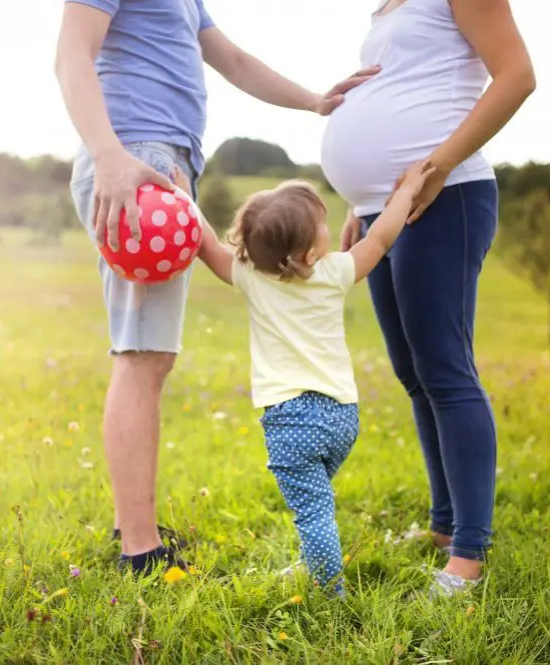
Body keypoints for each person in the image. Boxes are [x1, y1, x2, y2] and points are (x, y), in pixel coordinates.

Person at [55, 0, 380, 575]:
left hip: (159, 162)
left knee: (148, 353)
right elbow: (71, 54)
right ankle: (139, 549)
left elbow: (231, 59)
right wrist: (110, 157)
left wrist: (314, 101)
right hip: (135, 162)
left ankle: (134, 527)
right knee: (142, 355)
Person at [320, 0, 536, 596]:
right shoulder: (385, 7)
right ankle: (443, 529)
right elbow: (400, 97)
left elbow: (517, 75)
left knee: (445, 370)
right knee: (414, 373)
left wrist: (439, 165)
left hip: (448, 196)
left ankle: (468, 554)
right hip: (383, 212)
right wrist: (358, 203)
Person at [182, 161, 434, 594]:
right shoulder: (334, 273)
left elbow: (206, 246)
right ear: (309, 253)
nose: (327, 226)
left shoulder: (252, 277)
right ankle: (315, 562)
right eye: (321, 224)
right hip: (342, 418)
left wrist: (183, 199)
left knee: (314, 510)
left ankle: (330, 592)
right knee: (316, 501)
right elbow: (381, 237)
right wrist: (408, 191)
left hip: (292, 420)